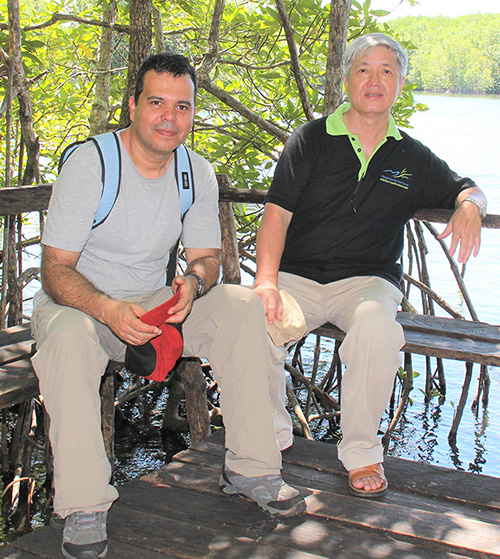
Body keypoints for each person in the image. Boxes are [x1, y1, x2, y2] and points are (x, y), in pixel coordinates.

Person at [31, 53, 305, 559]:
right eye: (156, 102)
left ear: (193, 114)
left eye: (182, 107)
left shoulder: (196, 172)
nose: (168, 117)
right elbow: (55, 271)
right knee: (68, 337)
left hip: (154, 304)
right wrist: (108, 309)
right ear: (133, 105)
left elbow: (206, 259)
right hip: (79, 305)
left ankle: (252, 469)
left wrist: (193, 285)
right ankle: (85, 505)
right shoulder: (92, 164)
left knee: (242, 306)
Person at [254, 33, 486, 499]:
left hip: (367, 282)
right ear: (346, 79)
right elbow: (276, 215)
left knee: (379, 329)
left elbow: (466, 187)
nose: (374, 80)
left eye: (386, 71)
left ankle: (360, 451)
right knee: (250, 323)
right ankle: (271, 435)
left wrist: (471, 205)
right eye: (363, 69)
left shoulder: (412, 157)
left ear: (400, 83)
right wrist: (265, 282)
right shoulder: (311, 140)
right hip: (298, 276)